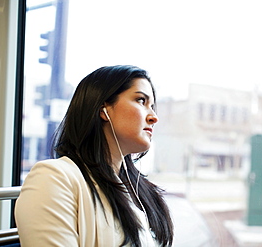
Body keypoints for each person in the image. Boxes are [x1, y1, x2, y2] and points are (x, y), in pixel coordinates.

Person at [15, 65, 174, 247]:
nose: (154, 117)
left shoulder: (137, 190)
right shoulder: (53, 178)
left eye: (152, 106)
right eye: (140, 101)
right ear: (103, 108)